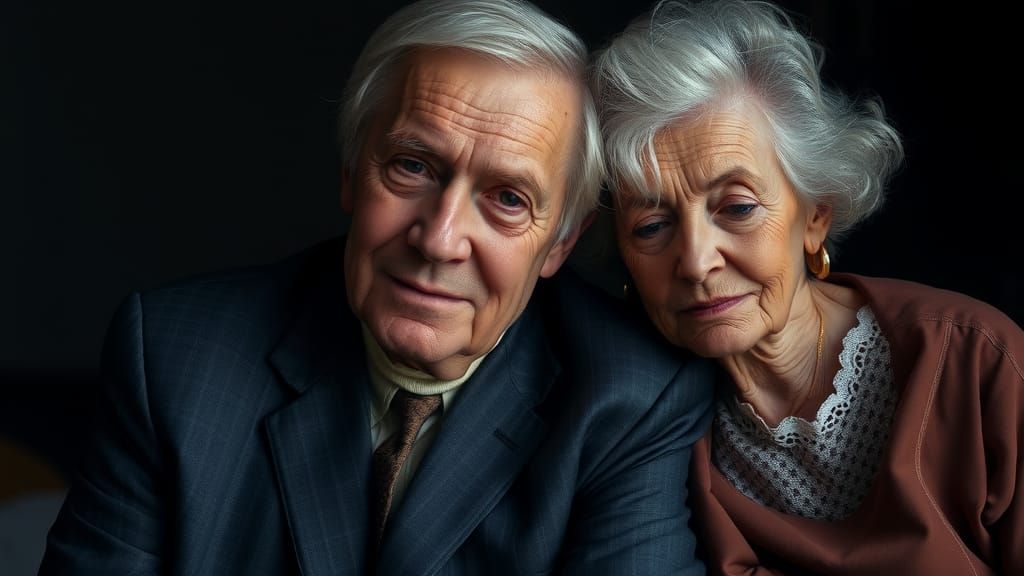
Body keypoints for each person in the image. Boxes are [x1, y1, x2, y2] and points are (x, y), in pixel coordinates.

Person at [39, 1, 715, 574]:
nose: (440, 238)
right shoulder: (175, 358)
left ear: (560, 243)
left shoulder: (630, 398)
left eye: (508, 198)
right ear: (351, 172)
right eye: (412, 166)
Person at [591, 1, 1024, 574]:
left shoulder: (973, 358)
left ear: (815, 214)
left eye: (738, 208)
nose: (695, 262)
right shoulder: (645, 426)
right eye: (651, 226)